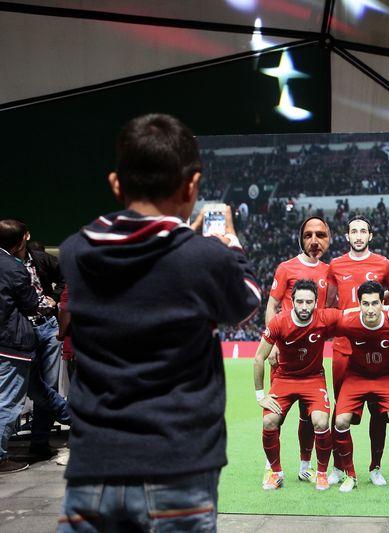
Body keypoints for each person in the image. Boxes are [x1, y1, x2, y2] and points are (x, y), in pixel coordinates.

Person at [57, 114, 261, 531]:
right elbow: (246, 301)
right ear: (192, 186)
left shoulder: (76, 251)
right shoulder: (205, 258)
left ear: (117, 184)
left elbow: (150, 246)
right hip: (179, 465)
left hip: (94, 464)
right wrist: (231, 242)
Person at [326, 216, 389, 486]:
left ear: (371, 235)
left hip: (376, 348)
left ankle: (375, 467)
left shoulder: (383, 264)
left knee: (379, 411)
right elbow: (330, 305)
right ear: (347, 236)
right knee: (340, 411)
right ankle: (339, 466)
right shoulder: (336, 265)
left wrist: (388, 310)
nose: (358, 235)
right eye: (353, 231)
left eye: (363, 231)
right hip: (344, 350)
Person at [264, 216, 331, 482]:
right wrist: (270, 347)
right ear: (301, 238)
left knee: (309, 418)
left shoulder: (329, 271)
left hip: (312, 356)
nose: (314, 241)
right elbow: (272, 305)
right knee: (274, 417)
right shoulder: (286, 268)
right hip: (285, 355)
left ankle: (305, 466)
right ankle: (272, 467)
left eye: (320, 235)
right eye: (308, 235)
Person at [255, 280, 339, 491]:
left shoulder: (324, 317)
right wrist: (260, 395)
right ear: (291, 302)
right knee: (269, 421)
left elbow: (352, 314)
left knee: (320, 421)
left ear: (316, 302)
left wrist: (387, 307)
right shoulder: (279, 322)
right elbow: (258, 358)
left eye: (309, 302)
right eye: (299, 301)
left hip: (313, 379)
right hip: (284, 379)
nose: (304, 306)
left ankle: (320, 473)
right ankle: (276, 472)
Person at [331, 281, 389, 493]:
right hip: (356, 377)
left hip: (385, 377)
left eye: (375, 303)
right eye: (365, 304)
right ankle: (350, 475)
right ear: (359, 304)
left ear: (382, 303)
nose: (370, 309)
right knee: (340, 420)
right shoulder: (349, 322)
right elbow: (322, 320)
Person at [10, 222, 70, 458]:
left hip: (45, 326)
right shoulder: (7, 263)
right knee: (31, 386)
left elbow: (67, 276)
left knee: (47, 384)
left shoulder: (40, 260)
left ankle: (40, 441)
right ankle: (71, 417)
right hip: (19, 329)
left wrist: (54, 297)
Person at [0, 221, 40, 474]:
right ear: (20, 242)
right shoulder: (13, 268)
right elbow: (30, 303)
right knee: (7, 401)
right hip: (10, 342)